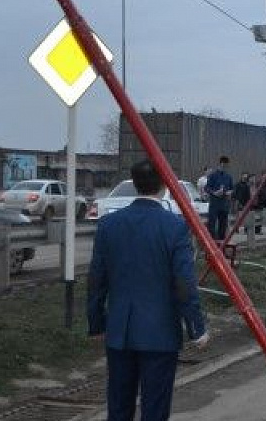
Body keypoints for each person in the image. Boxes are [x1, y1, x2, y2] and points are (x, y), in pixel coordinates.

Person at [87, 159, 209, 421]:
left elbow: (97, 279)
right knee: (155, 408)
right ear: (164, 185)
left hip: (120, 331)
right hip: (160, 332)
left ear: (134, 184)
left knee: (118, 407)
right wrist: (196, 327)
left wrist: (96, 324)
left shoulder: (108, 225)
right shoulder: (175, 226)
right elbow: (183, 282)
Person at [204, 156, 234, 241]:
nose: (225, 168)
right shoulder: (213, 176)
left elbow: (232, 188)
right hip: (214, 203)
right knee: (212, 224)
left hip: (224, 204)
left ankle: (221, 243)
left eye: (227, 166)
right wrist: (214, 192)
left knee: (223, 225)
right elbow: (206, 188)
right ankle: (211, 242)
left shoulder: (229, 177)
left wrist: (230, 192)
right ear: (220, 164)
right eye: (224, 166)